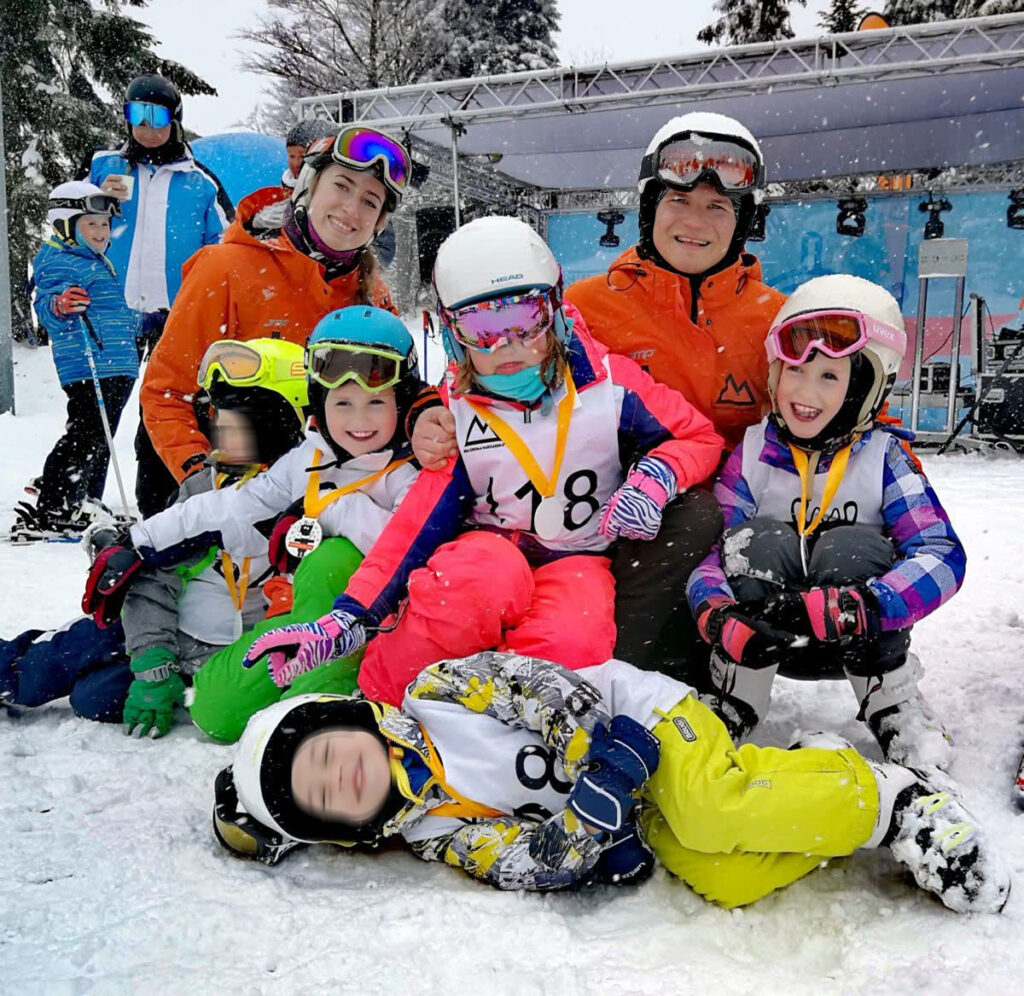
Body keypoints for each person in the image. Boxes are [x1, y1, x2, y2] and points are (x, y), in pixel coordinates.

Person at [243, 216, 723, 706]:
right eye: (482, 327)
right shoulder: (455, 412)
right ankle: (386, 705)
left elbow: (697, 437)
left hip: (578, 556)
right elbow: (415, 523)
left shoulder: (610, 386)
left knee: (575, 641)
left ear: (555, 313)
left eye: (526, 319)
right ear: (453, 335)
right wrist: (350, 615)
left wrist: (657, 475)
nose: (508, 345)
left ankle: (519, 736)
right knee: (473, 585)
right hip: (488, 547)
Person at [413, 113, 786, 681]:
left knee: (707, 515)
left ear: (742, 221)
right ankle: (612, 671)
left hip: (728, 517)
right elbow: (484, 368)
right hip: (610, 513)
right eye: (678, 202)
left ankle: (660, 670)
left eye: (718, 207)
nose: (696, 222)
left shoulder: (772, 318)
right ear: (647, 210)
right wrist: (426, 413)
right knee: (684, 520)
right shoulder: (590, 306)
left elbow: (844, 416)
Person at [212, 650, 1010, 914]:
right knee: (722, 871)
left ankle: (896, 799)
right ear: (349, 829)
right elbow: (529, 862)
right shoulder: (438, 836)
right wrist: (593, 835)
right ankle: (807, 780)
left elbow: (535, 686)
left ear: (347, 719)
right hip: (627, 801)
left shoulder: (436, 693)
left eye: (324, 752)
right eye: (325, 799)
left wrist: (594, 751)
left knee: (705, 804)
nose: (339, 775)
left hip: (641, 719)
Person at [91, 307, 425, 742]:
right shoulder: (309, 459)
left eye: (376, 403)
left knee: (331, 559)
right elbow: (232, 505)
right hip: (301, 625)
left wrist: (328, 508)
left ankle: (316, 711)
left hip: (370, 625)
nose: (358, 421)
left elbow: (402, 546)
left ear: (401, 401)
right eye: (342, 402)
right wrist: (138, 540)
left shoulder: (408, 474)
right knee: (214, 714)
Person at [687, 275, 963, 771]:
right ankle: (734, 699)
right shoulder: (752, 453)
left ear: (867, 389)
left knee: (851, 547)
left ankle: (893, 705)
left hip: (858, 638)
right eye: (794, 370)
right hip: (766, 638)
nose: (804, 390)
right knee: (754, 540)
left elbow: (941, 553)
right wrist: (718, 613)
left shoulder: (883, 457)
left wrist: (866, 606)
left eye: (830, 377)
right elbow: (710, 556)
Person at [2, 337, 308, 734]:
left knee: (93, 697)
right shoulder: (203, 492)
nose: (221, 432)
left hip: (220, 662)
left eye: (240, 422)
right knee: (68, 653)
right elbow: (154, 580)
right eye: (219, 417)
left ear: (285, 424)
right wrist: (151, 664)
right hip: (167, 631)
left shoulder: (311, 506)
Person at [138, 127, 409, 516]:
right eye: (342, 186)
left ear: (379, 222)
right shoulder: (225, 269)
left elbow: (397, 398)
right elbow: (167, 392)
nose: (352, 209)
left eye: (370, 202)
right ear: (309, 187)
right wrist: (198, 474)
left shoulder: (372, 296)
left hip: (335, 501)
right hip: (238, 494)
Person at [87, 72, 234, 517]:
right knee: (102, 400)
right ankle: (83, 492)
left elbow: (222, 249)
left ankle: (160, 497)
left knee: (168, 402)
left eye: (158, 117)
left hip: (177, 311)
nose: (148, 128)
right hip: (116, 306)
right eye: (138, 116)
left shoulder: (200, 183)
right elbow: (73, 223)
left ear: (176, 120)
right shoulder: (106, 167)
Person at [12, 182, 139, 540]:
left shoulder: (95, 259)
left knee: (100, 434)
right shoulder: (58, 261)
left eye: (104, 225)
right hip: (89, 362)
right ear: (66, 226)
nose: (102, 233)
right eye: (91, 225)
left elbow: (112, 309)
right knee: (87, 433)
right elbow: (45, 307)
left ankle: (82, 497)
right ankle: (56, 499)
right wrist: (60, 305)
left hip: (114, 361)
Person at [282, 119, 339, 190]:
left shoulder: (337, 195)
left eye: (303, 156)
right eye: (291, 156)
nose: (295, 163)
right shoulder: (278, 196)